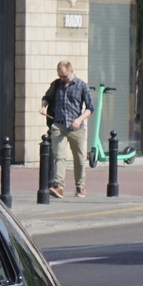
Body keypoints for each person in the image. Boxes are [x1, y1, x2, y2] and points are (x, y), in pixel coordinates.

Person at [42, 59, 93, 197]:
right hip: (59, 125)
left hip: (76, 127)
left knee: (79, 159)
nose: (62, 78)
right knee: (60, 156)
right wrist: (43, 106)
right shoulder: (56, 84)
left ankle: (80, 187)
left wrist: (79, 120)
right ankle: (59, 186)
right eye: (60, 76)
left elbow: (90, 108)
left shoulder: (82, 85)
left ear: (71, 71)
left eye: (64, 76)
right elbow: (46, 97)